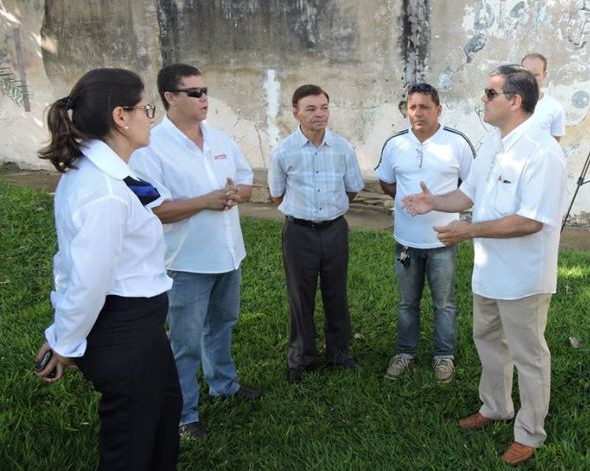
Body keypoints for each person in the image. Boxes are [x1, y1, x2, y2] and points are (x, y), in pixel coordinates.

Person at [402, 65, 567, 466]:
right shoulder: (493, 143)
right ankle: (495, 406)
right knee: (488, 344)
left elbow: (532, 220)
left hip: (524, 277)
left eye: (490, 94)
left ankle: (530, 431)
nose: (483, 100)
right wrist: (434, 203)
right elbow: (468, 194)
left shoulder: (542, 152)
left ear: (515, 101)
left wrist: (469, 231)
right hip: (489, 273)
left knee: (529, 356)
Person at [35, 68, 181, 469]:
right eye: (146, 108)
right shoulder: (103, 192)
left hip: (140, 325)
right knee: (132, 443)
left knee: (162, 419)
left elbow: (152, 205)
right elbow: (87, 279)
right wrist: (64, 342)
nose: (151, 118)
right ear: (121, 117)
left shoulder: (115, 174)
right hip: (123, 328)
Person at [130, 63, 260, 441]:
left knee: (222, 325)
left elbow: (248, 184)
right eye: (195, 93)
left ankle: (224, 385)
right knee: (184, 343)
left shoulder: (219, 138)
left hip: (228, 254)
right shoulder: (150, 148)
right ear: (170, 97)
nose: (205, 98)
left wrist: (238, 193)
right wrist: (205, 201)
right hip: (185, 262)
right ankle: (183, 413)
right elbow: (154, 208)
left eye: (205, 90)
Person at [375, 82, 475, 383]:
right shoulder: (395, 144)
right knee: (407, 302)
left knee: (443, 303)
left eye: (425, 107)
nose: (418, 113)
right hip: (406, 240)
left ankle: (444, 356)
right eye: (412, 107)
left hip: (442, 239)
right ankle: (405, 352)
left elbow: (473, 187)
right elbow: (386, 181)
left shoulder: (456, 143)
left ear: (439, 110)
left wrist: (439, 204)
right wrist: (407, 200)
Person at [268, 84, 364, 384]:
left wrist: (331, 212)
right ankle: (301, 358)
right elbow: (276, 194)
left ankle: (338, 352)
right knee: (301, 296)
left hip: (335, 230)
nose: (319, 114)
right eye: (311, 108)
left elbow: (353, 188)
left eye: (324, 107)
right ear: (295, 112)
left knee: (336, 293)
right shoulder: (284, 151)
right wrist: (301, 213)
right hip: (299, 234)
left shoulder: (343, 148)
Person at [521, 52, 566, 141]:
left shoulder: (555, 109)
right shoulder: (508, 104)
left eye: (535, 75)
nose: (530, 79)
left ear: (544, 75)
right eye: (526, 74)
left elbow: (554, 144)